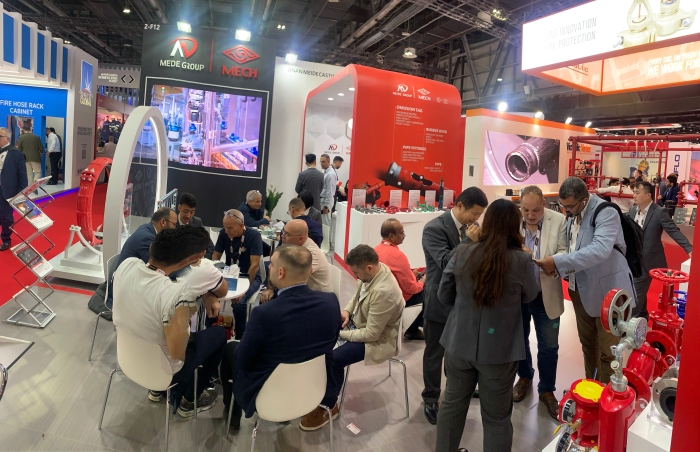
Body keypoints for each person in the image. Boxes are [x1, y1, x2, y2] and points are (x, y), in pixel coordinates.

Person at [436, 199, 539, 452]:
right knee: (497, 418)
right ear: (515, 225)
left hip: (459, 342)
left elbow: (444, 295)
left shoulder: (463, 251)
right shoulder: (522, 260)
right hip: (500, 351)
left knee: (451, 406)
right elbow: (530, 295)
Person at [112, 226, 229, 417]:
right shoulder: (173, 296)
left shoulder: (127, 266)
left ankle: (156, 391)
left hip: (126, 359)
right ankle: (190, 400)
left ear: (152, 247)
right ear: (191, 259)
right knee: (218, 334)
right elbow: (180, 349)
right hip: (165, 371)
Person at [221, 245, 341, 430]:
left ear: (281, 272)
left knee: (231, 349)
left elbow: (243, 359)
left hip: (269, 394)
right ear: (310, 271)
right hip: (315, 388)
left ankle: (233, 414)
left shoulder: (264, 314)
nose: (269, 268)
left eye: (271, 265)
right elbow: (330, 343)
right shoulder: (331, 301)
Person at [535, 177, 636, 384]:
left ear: (583, 200)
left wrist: (557, 262)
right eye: (563, 206)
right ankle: (592, 386)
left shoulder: (605, 212)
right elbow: (572, 247)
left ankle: (606, 394)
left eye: (569, 206)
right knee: (588, 345)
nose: (566, 211)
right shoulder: (573, 214)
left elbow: (600, 250)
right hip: (580, 288)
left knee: (609, 350)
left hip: (609, 292)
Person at [300, 244, 403, 431]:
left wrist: (338, 333)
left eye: (356, 273)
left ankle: (328, 406)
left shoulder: (384, 292)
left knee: (334, 359)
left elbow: (371, 334)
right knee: (318, 334)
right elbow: (357, 294)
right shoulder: (374, 272)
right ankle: (317, 389)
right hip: (359, 325)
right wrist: (347, 311)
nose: (355, 277)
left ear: (369, 268)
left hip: (377, 341)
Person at [421, 187, 488, 425]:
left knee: (458, 351)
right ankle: (431, 398)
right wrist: (469, 241)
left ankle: (457, 390)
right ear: (459, 206)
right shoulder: (434, 228)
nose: (476, 219)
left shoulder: (472, 228)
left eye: (480, 215)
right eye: (474, 213)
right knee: (434, 353)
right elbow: (444, 262)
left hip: (464, 301)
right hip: (439, 301)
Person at [512, 186, 568, 420]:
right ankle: (524, 377)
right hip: (518, 295)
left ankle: (546, 389)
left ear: (544, 204)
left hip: (547, 293)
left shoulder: (559, 221)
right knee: (519, 340)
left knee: (549, 346)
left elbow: (566, 251)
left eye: (535, 210)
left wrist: (552, 262)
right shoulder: (513, 220)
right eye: (525, 210)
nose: (530, 215)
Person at [630, 181, 692, 319]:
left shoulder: (659, 212)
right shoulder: (633, 210)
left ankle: (629, 325)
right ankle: (642, 318)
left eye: (637, 193)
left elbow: (673, 231)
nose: (634, 195)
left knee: (635, 295)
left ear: (648, 195)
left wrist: (689, 248)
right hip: (632, 260)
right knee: (638, 292)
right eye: (633, 192)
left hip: (647, 260)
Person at [212, 209, 263, 338]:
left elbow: (255, 265)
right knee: (211, 296)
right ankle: (211, 330)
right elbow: (215, 257)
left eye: (230, 228)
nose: (226, 231)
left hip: (250, 276)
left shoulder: (254, 236)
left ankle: (241, 336)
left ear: (241, 225)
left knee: (239, 303)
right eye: (224, 227)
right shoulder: (224, 233)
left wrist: (244, 290)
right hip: (229, 274)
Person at [375, 218, 426, 341]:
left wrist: (410, 274)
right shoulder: (398, 256)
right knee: (428, 292)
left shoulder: (375, 250)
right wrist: (422, 282)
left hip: (380, 297)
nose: (404, 235)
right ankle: (412, 329)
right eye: (402, 232)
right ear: (391, 236)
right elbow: (412, 288)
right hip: (397, 300)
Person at [260, 220, 332, 302]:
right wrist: (269, 288)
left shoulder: (311, 254)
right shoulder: (291, 245)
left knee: (269, 302)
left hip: (315, 298)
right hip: (299, 291)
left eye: (287, 234)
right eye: (283, 231)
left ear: (300, 239)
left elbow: (291, 279)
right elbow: (275, 264)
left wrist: (272, 287)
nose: (283, 236)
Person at [0, 127, 28, 251]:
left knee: (6, 217)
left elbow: (23, 175)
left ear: (7, 139)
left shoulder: (16, 154)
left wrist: (22, 193)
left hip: (7, 191)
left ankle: (6, 239)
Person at [176, 193, 214, 259]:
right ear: (179, 207)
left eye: (192, 212)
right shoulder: (172, 222)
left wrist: (204, 261)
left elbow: (210, 247)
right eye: (185, 211)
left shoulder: (197, 223)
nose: (188, 216)